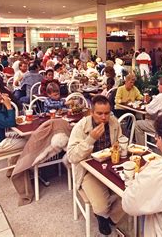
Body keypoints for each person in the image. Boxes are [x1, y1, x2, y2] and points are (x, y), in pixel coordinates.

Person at [67, 95, 125, 235]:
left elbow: (121, 140)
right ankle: (102, 215)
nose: (104, 117)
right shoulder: (81, 126)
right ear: (91, 112)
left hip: (110, 166)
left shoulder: (113, 122)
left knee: (131, 194)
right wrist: (90, 139)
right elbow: (71, 156)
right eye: (99, 113)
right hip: (88, 171)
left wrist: (119, 145)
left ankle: (111, 218)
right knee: (101, 208)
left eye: (107, 113)